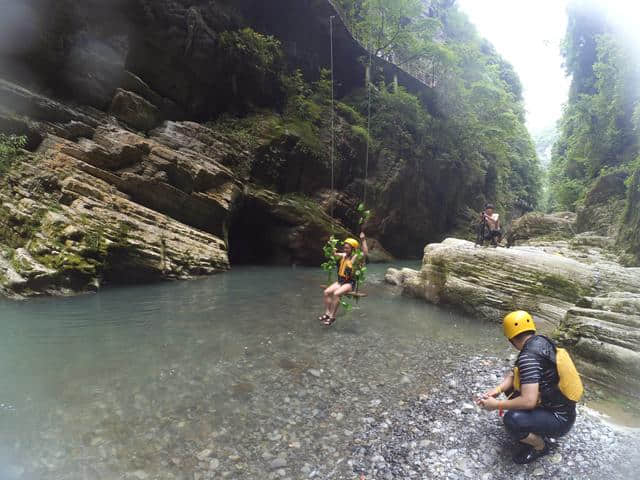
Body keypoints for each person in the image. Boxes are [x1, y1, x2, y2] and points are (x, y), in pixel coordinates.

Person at [476, 311, 577, 464]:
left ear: (511, 339)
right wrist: (497, 390)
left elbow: (529, 401)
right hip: (563, 409)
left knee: (512, 420)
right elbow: (512, 374)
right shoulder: (540, 342)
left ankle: (541, 447)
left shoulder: (528, 357)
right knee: (512, 388)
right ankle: (536, 428)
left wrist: (496, 405)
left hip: (560, 419)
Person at [319, 232, 368, 326]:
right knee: (326, 292)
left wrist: (363, 240)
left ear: (353, 249)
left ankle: (332, 317)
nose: (345, 249)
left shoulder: (356, 257)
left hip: (349, 283)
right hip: (341, 281)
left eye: (347, 248)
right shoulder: (344, 255)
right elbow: (334, 255)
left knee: (336, 293)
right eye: (344, 248)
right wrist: (332, 248)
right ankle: (327, 314)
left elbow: (365, 252)